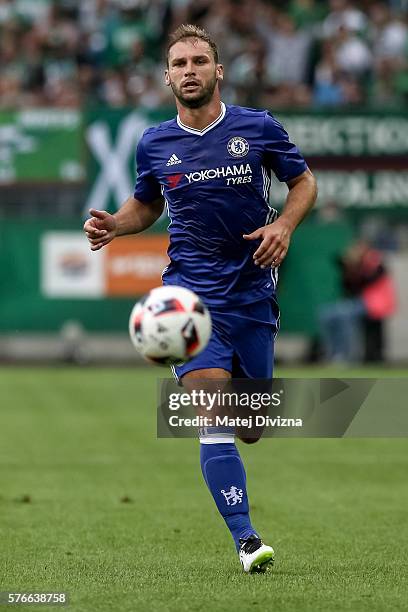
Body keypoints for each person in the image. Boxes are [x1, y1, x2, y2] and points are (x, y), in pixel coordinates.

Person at [84, 24, 317, 573]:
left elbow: (304, 182)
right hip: (189, 295)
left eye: (198, 61)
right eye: (179, 63)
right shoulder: (154, 142)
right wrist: (116, 224)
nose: (189, 70)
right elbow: (146, 205)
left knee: (253, 423)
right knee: (211, 409)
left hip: (254, 293)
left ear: (218, 70)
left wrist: (283, 225)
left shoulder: (257, 128)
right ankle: (246, 539)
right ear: (167, 76)